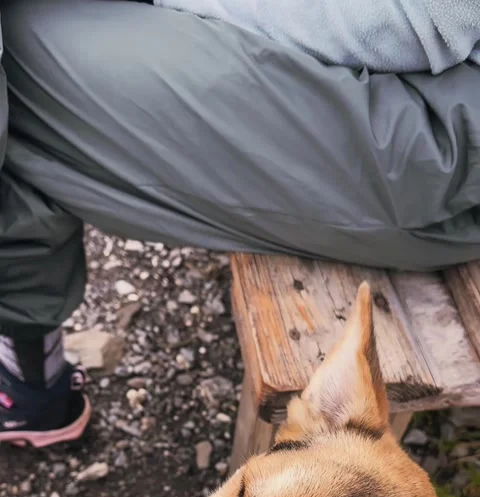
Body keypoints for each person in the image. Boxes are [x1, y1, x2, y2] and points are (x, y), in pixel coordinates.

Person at [0, 0, 479, 447]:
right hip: (428, 86)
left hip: (440, 127)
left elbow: (422, 24)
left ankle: (27, 377)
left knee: (14, 60)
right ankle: (29, 375)